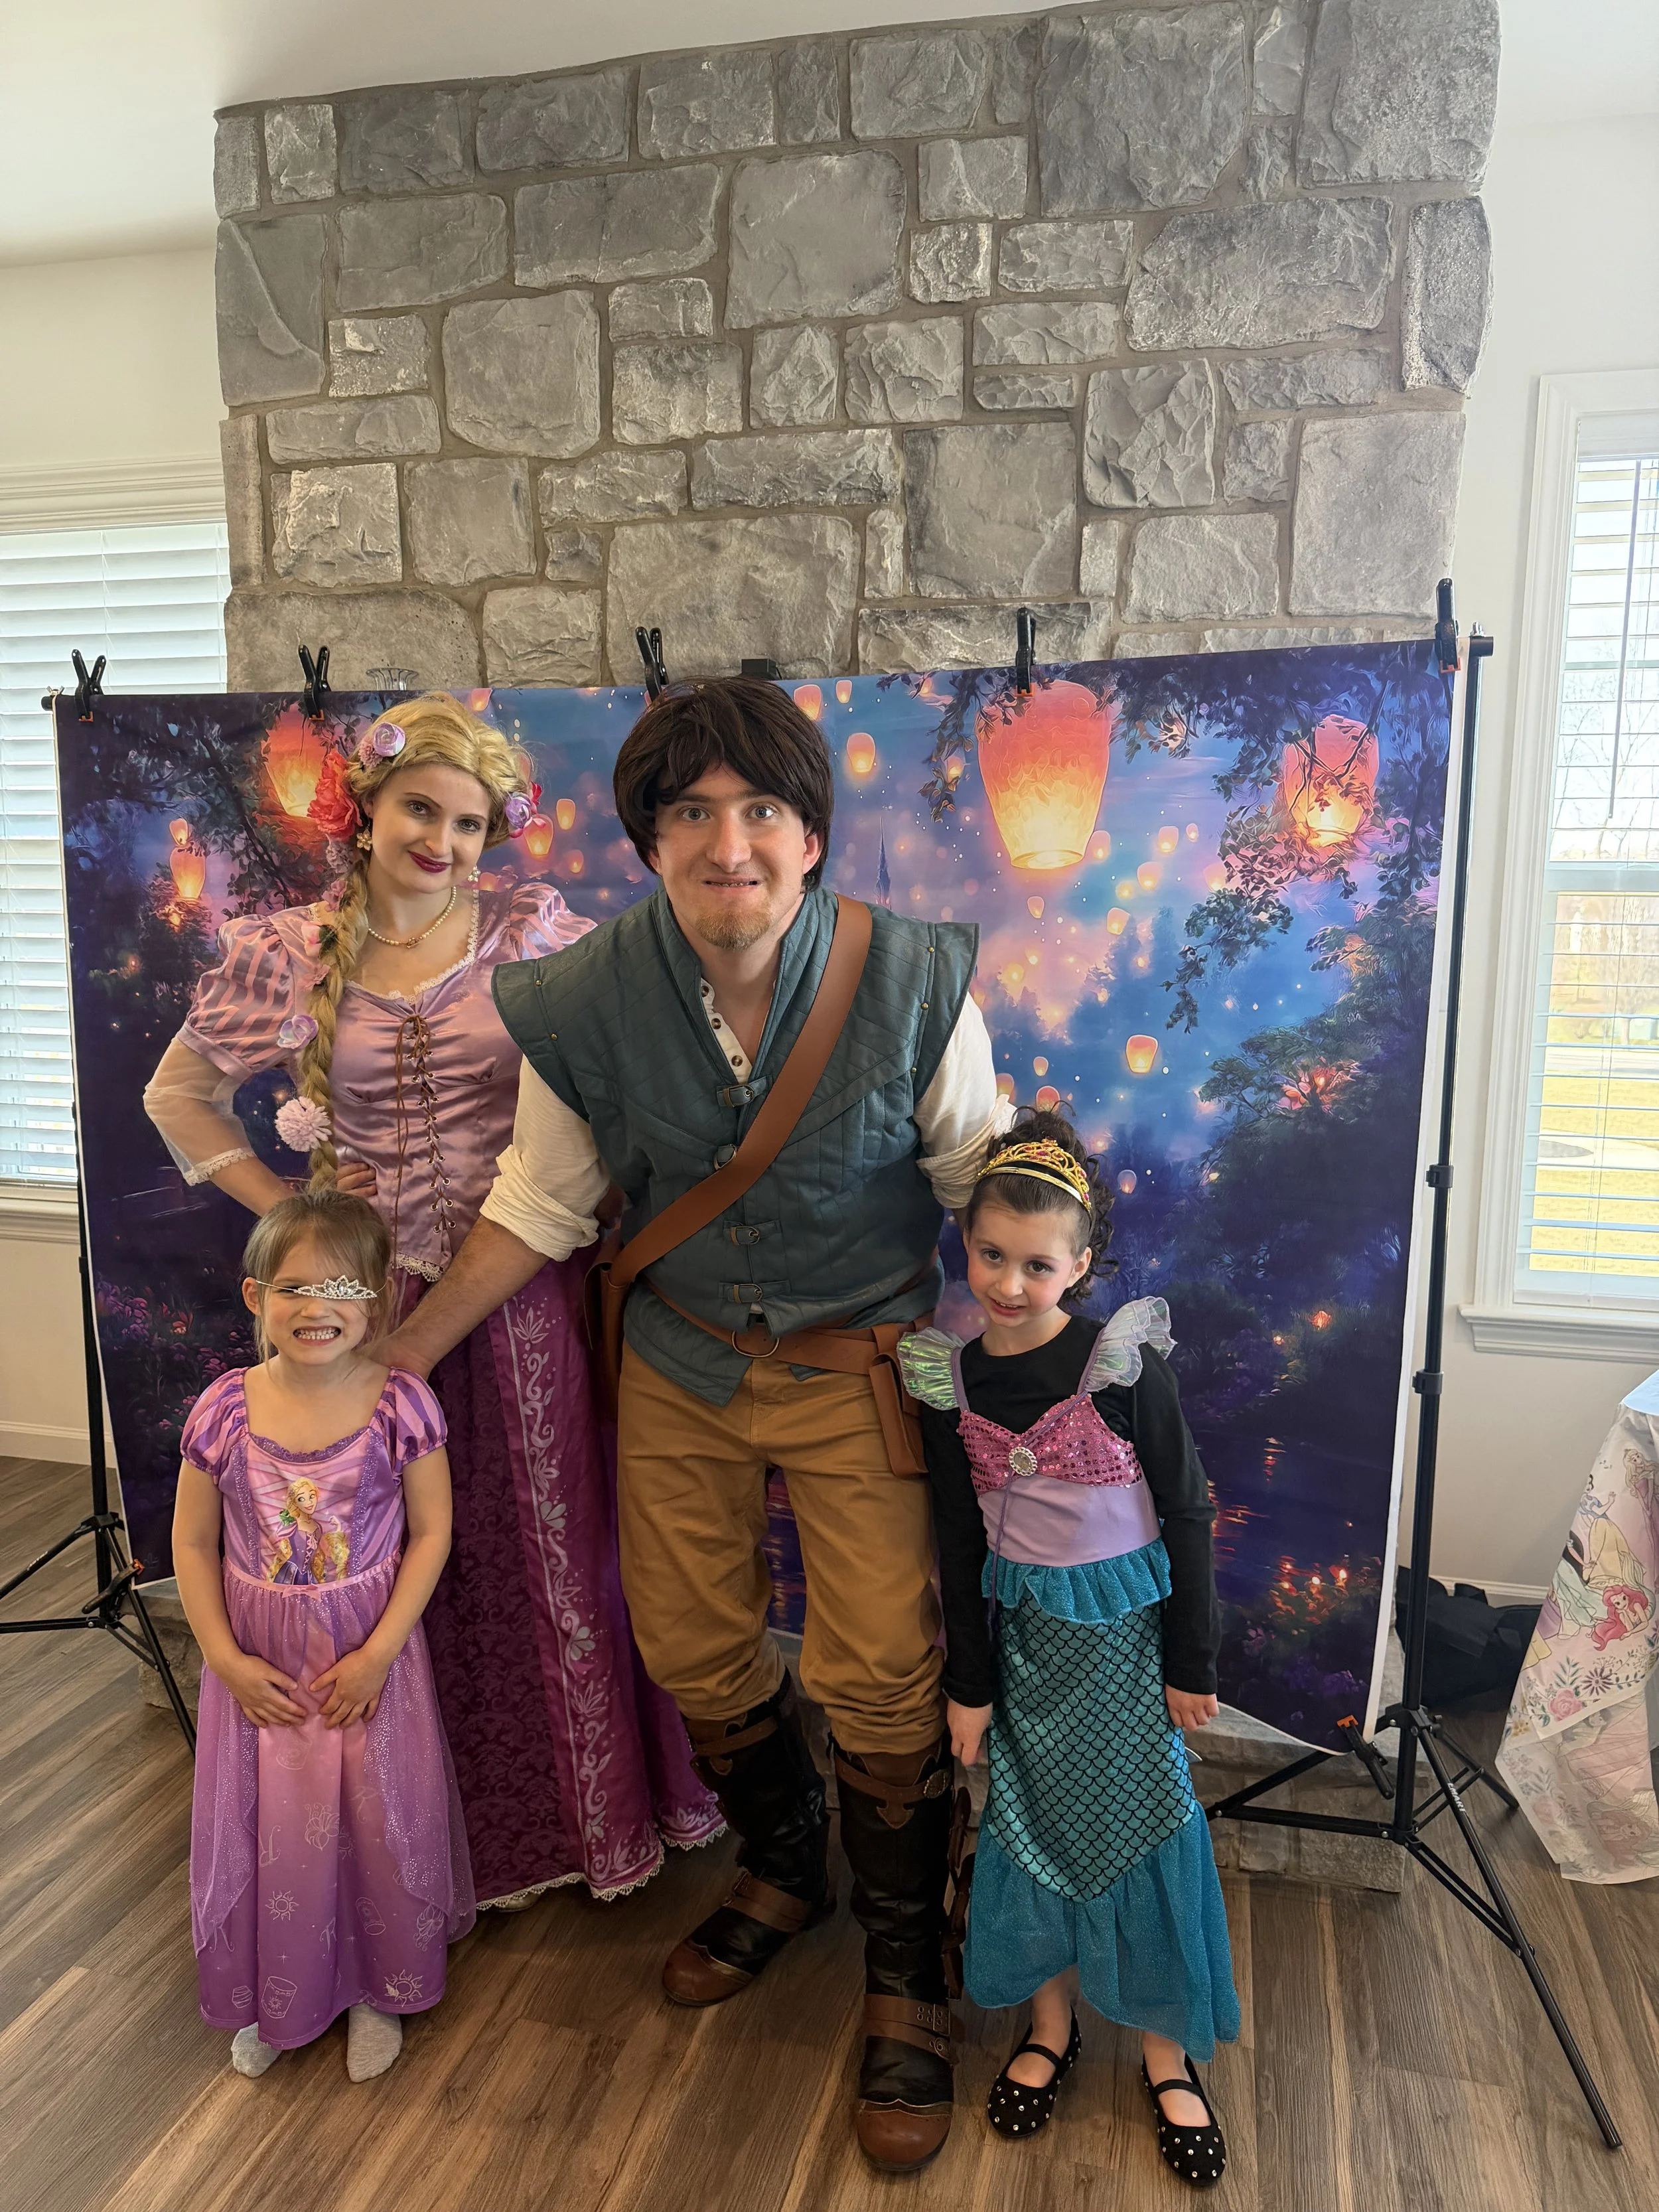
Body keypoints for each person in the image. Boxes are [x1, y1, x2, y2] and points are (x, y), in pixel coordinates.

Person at [378, 676, 1004, 2170]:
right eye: (691, 813)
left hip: (860, 1364)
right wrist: (392, 1362)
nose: (730, 842)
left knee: (875, 1670)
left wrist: (1031, 1383)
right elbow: (536, 1205)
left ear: (809, 834)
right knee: (688, 1643)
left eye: (762, 811)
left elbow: (979, 1188)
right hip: (678, 1363)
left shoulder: (917, 978)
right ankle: (785, 1866)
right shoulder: (582, 996)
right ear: (649, 840)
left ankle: (907, 1964)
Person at [144, 692, 719, 1908]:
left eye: (467, 824)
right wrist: (286, 1214)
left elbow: (614, 1100)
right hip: (355, 1308)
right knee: (384, 1558)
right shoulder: (290, 947)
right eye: (420, 809)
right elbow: (178, 1097)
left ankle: (565, 1826)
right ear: (367, 810)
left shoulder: (530, 932)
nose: (442, 842)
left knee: (544, 1547)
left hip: (514, 1290)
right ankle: (401, 1839)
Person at [899, 1108, 1239, 2189]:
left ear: (1080, 1264)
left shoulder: (1122, 1367)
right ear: (966, 1247)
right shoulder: (950, 1383)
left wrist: (1193, 1663)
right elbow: (958, 1541)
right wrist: (969, 1685)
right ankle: (1049, 2027)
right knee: (1027, 1824)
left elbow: (1186, 1510)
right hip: (1029, 1655)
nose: (1007, 1283)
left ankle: (1164, 2049)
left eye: (1036, 1263)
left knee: (1143, 1824)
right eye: (990, 1256)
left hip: (1131, 1655)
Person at [171, 1190, 473, 2079]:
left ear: (375, 1302)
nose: (317, 1307)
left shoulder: (401, 1407)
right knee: (273, 1825)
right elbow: (192, 1542)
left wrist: (378, 1653)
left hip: (366, 1658)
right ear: (256, 1297)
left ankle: (382, 1986)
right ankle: (281, 1991)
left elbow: (432, 1534)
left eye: (342, 1287)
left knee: (374, 1819)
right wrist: (224, 1659)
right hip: (259, 1663)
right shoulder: (224, 1409)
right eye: (295, 1287)